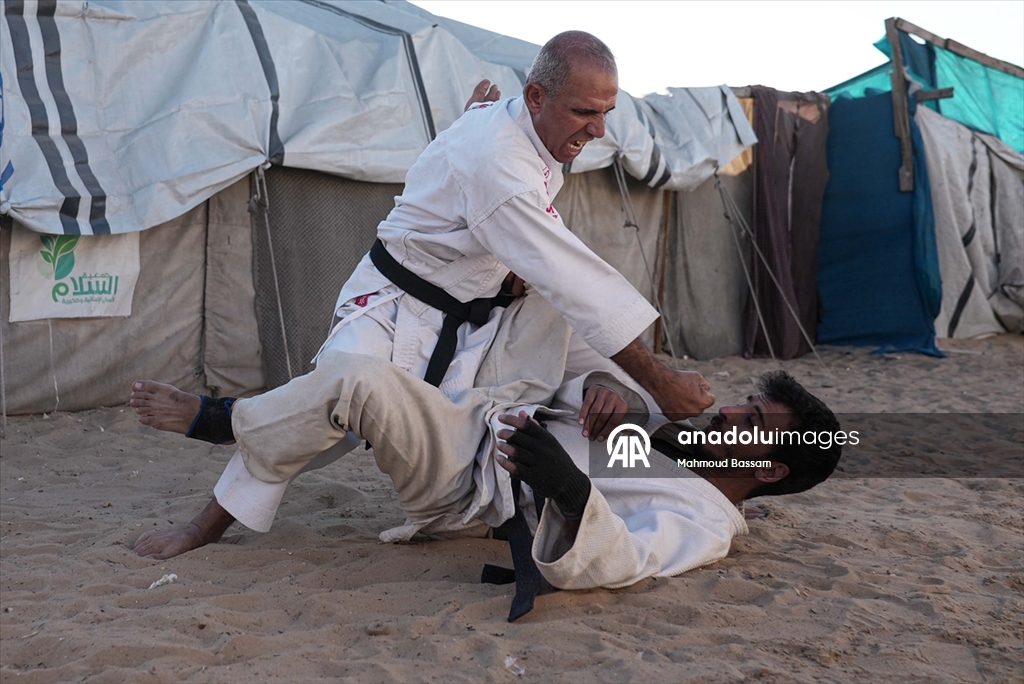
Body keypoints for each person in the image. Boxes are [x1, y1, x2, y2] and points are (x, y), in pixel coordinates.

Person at [131, 30, 715, 556]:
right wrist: (664, 375)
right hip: (391, 304)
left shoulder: (516, 126)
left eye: (608, 112)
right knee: (331, 401)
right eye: (585, 112)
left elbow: (512, 229)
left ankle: (715, 474)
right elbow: (571, 276)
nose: (598, 130)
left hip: (479, 317)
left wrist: (504, 265)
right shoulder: (498, 160)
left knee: (624, 375)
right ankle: (216, 454)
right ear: (536, 98)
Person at [132, 322, 840, 620]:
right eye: (743, 405)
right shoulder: (677, 446)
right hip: (491, 412)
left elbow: (625, 557)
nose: (730, 418)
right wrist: (605, 391)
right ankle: (485, 140)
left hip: (470, 482)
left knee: (357, 380)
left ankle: (224, 419)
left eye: (752, 424)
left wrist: (569, 489)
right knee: (559, 292)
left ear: (769, 471)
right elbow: (593, 415)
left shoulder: (704, 521)